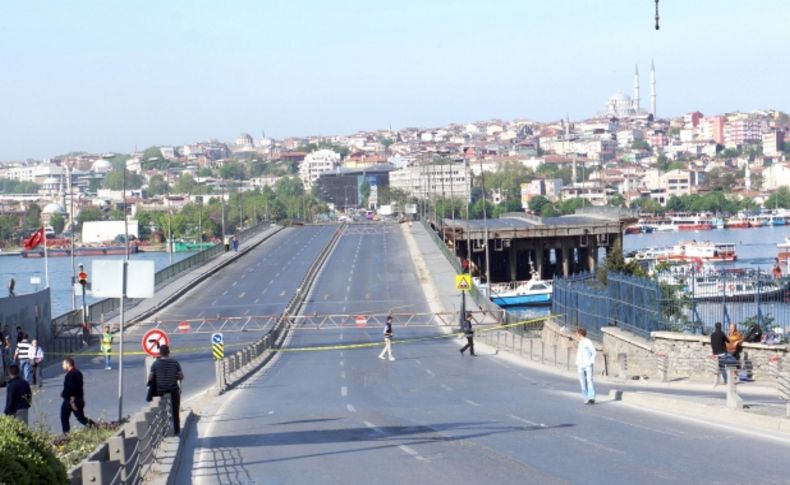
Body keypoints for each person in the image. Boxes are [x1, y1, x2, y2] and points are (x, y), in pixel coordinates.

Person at [148, 345, 183, 436]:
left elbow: (150, 377)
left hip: (160, 391)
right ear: (169, 352)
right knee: (175, 410)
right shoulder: (175, 362)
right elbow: (181, 376)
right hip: (173, 390)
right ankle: (176, 430)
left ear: (160, 353)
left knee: (162, 411)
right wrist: (176, 377)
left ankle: (163, 431)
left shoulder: (155, 364)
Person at [60, 357, 96, 434]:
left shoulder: (71, 374)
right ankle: (95, 427)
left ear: (68, 364)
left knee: (64, 417)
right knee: (81, 418)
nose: (62, 366)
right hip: (78, 399)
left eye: (63, 364)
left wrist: (71, 401)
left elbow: (72, 388)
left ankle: (66, 435)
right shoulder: (78, 372)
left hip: (70, 401)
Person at [575, 328, 597, 404]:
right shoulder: (580, 342)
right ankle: (586, 397)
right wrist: (577, 363)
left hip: (587, 365)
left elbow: (593, 352)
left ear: (580, 334)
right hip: (580, 365)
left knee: (589, 380)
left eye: (577, 334)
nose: (576, 336)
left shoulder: (588, 342)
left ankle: (591, 397)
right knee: (582, 382)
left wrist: (591, 362)